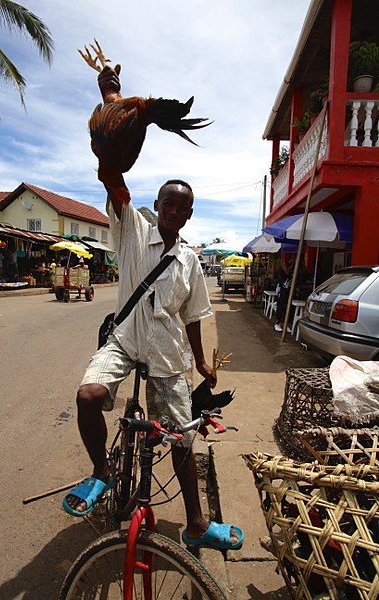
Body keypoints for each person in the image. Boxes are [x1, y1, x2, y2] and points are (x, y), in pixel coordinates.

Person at [63, 174, 243, 551]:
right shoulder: (132, 232)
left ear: (189, 214)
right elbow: (113, 181)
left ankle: (196, 523)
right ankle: (102, 471)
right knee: (88, 396)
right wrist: (115, 148)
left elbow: (192, 315)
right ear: (157, 206)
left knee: (181, 433)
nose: (174, 211)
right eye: (168, 204)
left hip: (166, 351)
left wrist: (201, 363)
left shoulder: (190, 260)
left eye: (182, 207)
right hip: (125, 339)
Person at [273, 256, 295, 332]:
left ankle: (286, 324)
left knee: (289, 308)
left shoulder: (296, 267)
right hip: (282, 290)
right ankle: (277, 323)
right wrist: (293, 264)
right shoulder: (284, 264)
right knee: (281, 307)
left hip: (289, 290)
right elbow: (287, 271)